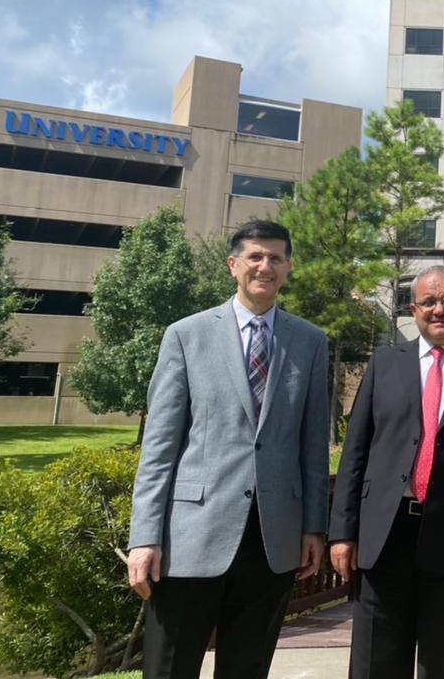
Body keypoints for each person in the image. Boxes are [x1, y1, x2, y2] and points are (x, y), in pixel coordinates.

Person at [126, 219, 330, 679]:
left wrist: (314, 527)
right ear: (233, 264)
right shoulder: (186, 335)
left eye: (275, 258)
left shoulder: (310, 342)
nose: (265, 266)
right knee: (169, 668)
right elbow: (159, 446)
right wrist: (144, 537)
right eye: (255, 256)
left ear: (288, 268)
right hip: (190, 538)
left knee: (247, 669)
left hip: (272, 540)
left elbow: (313, 446)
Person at [329, 265, 444, 679]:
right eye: (428, 301)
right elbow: (356, 451)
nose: (439, 309)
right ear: (413, 309)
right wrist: (342, 532)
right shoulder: (384, 364)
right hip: (385, 534)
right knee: (375, 662)